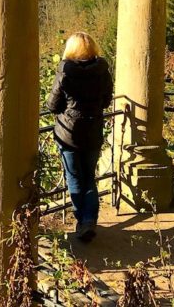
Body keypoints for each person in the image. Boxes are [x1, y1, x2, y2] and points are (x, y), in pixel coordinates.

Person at [47, 32, 113, 242]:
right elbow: (106, 100)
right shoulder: (102, 71)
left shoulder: (65, 71)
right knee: (89, 177)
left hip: (68, 135)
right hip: (93, 132)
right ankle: (89, 221)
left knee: (74, 178)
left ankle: (82, 222)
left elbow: (52, 105)